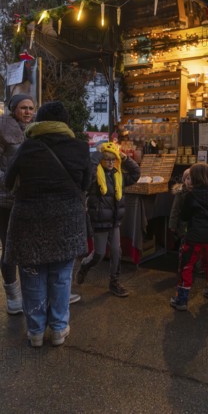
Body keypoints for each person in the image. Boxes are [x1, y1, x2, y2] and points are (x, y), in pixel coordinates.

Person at [4, 101, 91, 347]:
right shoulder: (80, 148)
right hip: (67, 223)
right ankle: (59, 329)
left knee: (32, 278)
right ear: (65, 123)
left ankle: (35, 332)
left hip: (29, 222)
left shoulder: (26, 148)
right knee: (61, 278)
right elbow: (86, 184)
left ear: (40, 121)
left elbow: (8, 182)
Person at [76, 142, 140, 297]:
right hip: (99, 221)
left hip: (114, 221)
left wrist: (125, 158)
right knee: (98, 254)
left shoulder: (119, 175)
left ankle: (114, 282)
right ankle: (85, 265)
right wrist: (97, 154)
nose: (111, 163)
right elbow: (88, 173)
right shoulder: (94, 177)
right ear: (102, 160)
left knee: (116, 252)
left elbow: (135, 174)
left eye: (113, 160)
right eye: (107, 160)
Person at [170, 162, 208, 311]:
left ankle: (181, 299)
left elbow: (185, 216)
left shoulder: (191, 195)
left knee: (186, 266)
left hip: (194, 237)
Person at [0, 94, 35, 315]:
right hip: (4, 199)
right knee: (9, 247)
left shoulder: (33, 132)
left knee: (27, 246)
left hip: (27, 198)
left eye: (31, 108)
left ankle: (31, 292)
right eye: (24, 108)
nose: (28, 112)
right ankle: (13, 296)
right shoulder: (3, 129)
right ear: (13, 109)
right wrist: (9, 181)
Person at [168, 168, 191, 244]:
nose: (190, 181)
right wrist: (172, 225)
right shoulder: (181, 192)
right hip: (183, 224)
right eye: (188, 178)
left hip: (194, 225)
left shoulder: (197, 191)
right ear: (184, 180)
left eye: (192, 179)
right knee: (184, 240)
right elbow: (175, 209)